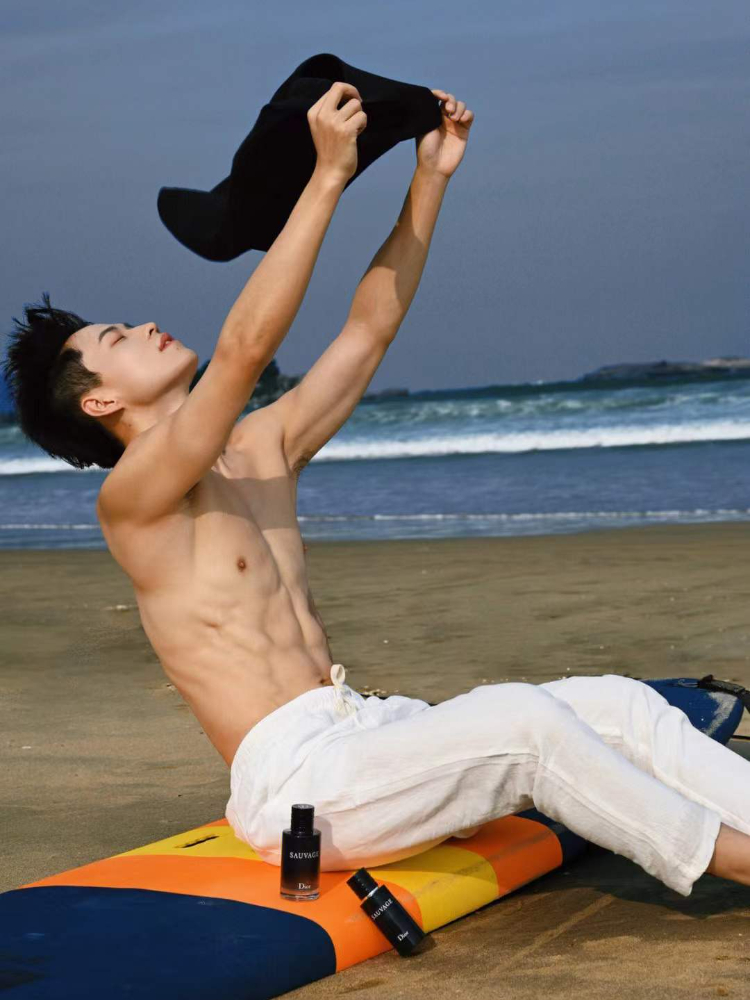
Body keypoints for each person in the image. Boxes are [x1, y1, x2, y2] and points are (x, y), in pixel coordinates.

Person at [4, 82, 750, 897]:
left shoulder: (261, 450)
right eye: (118, 338)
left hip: (369, 731)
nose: (147, 325)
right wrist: (326, 175)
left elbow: (369, 329)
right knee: (528, 723)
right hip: (299, 788)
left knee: (622, 706)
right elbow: (245, 348)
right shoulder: (134, 500)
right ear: (100, 402)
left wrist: (429, 178)